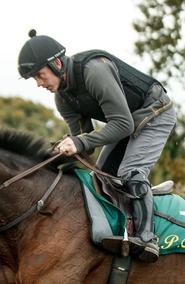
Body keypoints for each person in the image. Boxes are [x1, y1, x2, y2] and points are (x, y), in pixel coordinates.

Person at [18, 29, 176, 263]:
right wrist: (56, 153)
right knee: (101, 177)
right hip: (127, 121)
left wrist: (79, 142)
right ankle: (121, 230)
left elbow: (122, 125)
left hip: (155, 112)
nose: (39, 83)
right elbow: (85, 144)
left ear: (57, 64)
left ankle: (146, 238)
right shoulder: (63, 98)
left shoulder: (94, 71)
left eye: (40, 75)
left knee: (130, 172)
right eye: (34, 79)